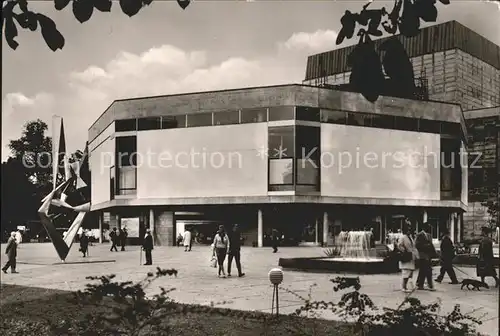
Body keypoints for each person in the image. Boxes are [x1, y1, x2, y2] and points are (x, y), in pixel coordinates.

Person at [397, 223, 418, 293]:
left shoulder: (410, 237)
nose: (409, 231)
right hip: (406, 256)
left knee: (409, 272)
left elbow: (413, 246)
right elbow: (399, 246)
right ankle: (403, 287)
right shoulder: (402, 237)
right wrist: (404, 251)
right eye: (408, 230)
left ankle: (406, 286)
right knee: (406, 272)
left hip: (411, 256)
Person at [415, 222, 437, 291]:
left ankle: (421, 284)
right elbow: (417, 245)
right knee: (426, 270)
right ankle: (427, 285)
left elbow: (431, 245)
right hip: (422, 255)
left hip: (428, 256)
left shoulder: (429, 235)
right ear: (424, 227)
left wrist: (435, 254)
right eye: (428, 227)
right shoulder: (419, 235)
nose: (430, 228)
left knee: (425, 270)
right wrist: (426, 246)